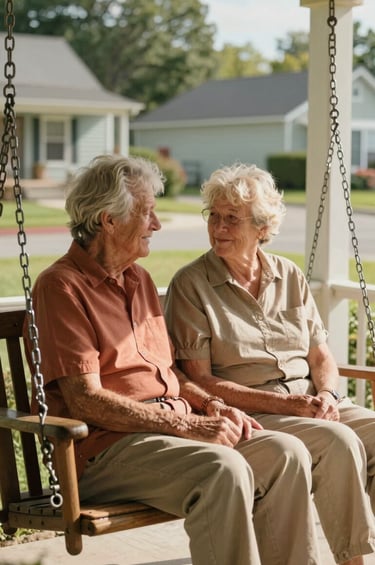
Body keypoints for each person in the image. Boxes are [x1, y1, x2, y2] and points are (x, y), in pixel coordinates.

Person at [23, 154, 323, 565]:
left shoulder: (138, 280)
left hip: (165, 435)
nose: (157, 224)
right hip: (104, 450)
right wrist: (187, 424)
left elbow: (170, 375)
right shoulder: (61, 287)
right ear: (109, 220)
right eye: (147, 213)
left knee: (287, 455)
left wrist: (212, 406)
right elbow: (85, 401)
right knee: (223, 470)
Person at [164, 162, 375, 565]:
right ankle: (353, 561)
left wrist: (328, 393)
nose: (218, 227)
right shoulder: (191, 285)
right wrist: (291, 406)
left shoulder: (289, 275)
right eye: (214, 216)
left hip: (315, 401)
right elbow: (201, 381)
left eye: (231, 219)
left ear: (262, 228)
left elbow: (320, 355)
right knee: (340, 442)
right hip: (256, 412)